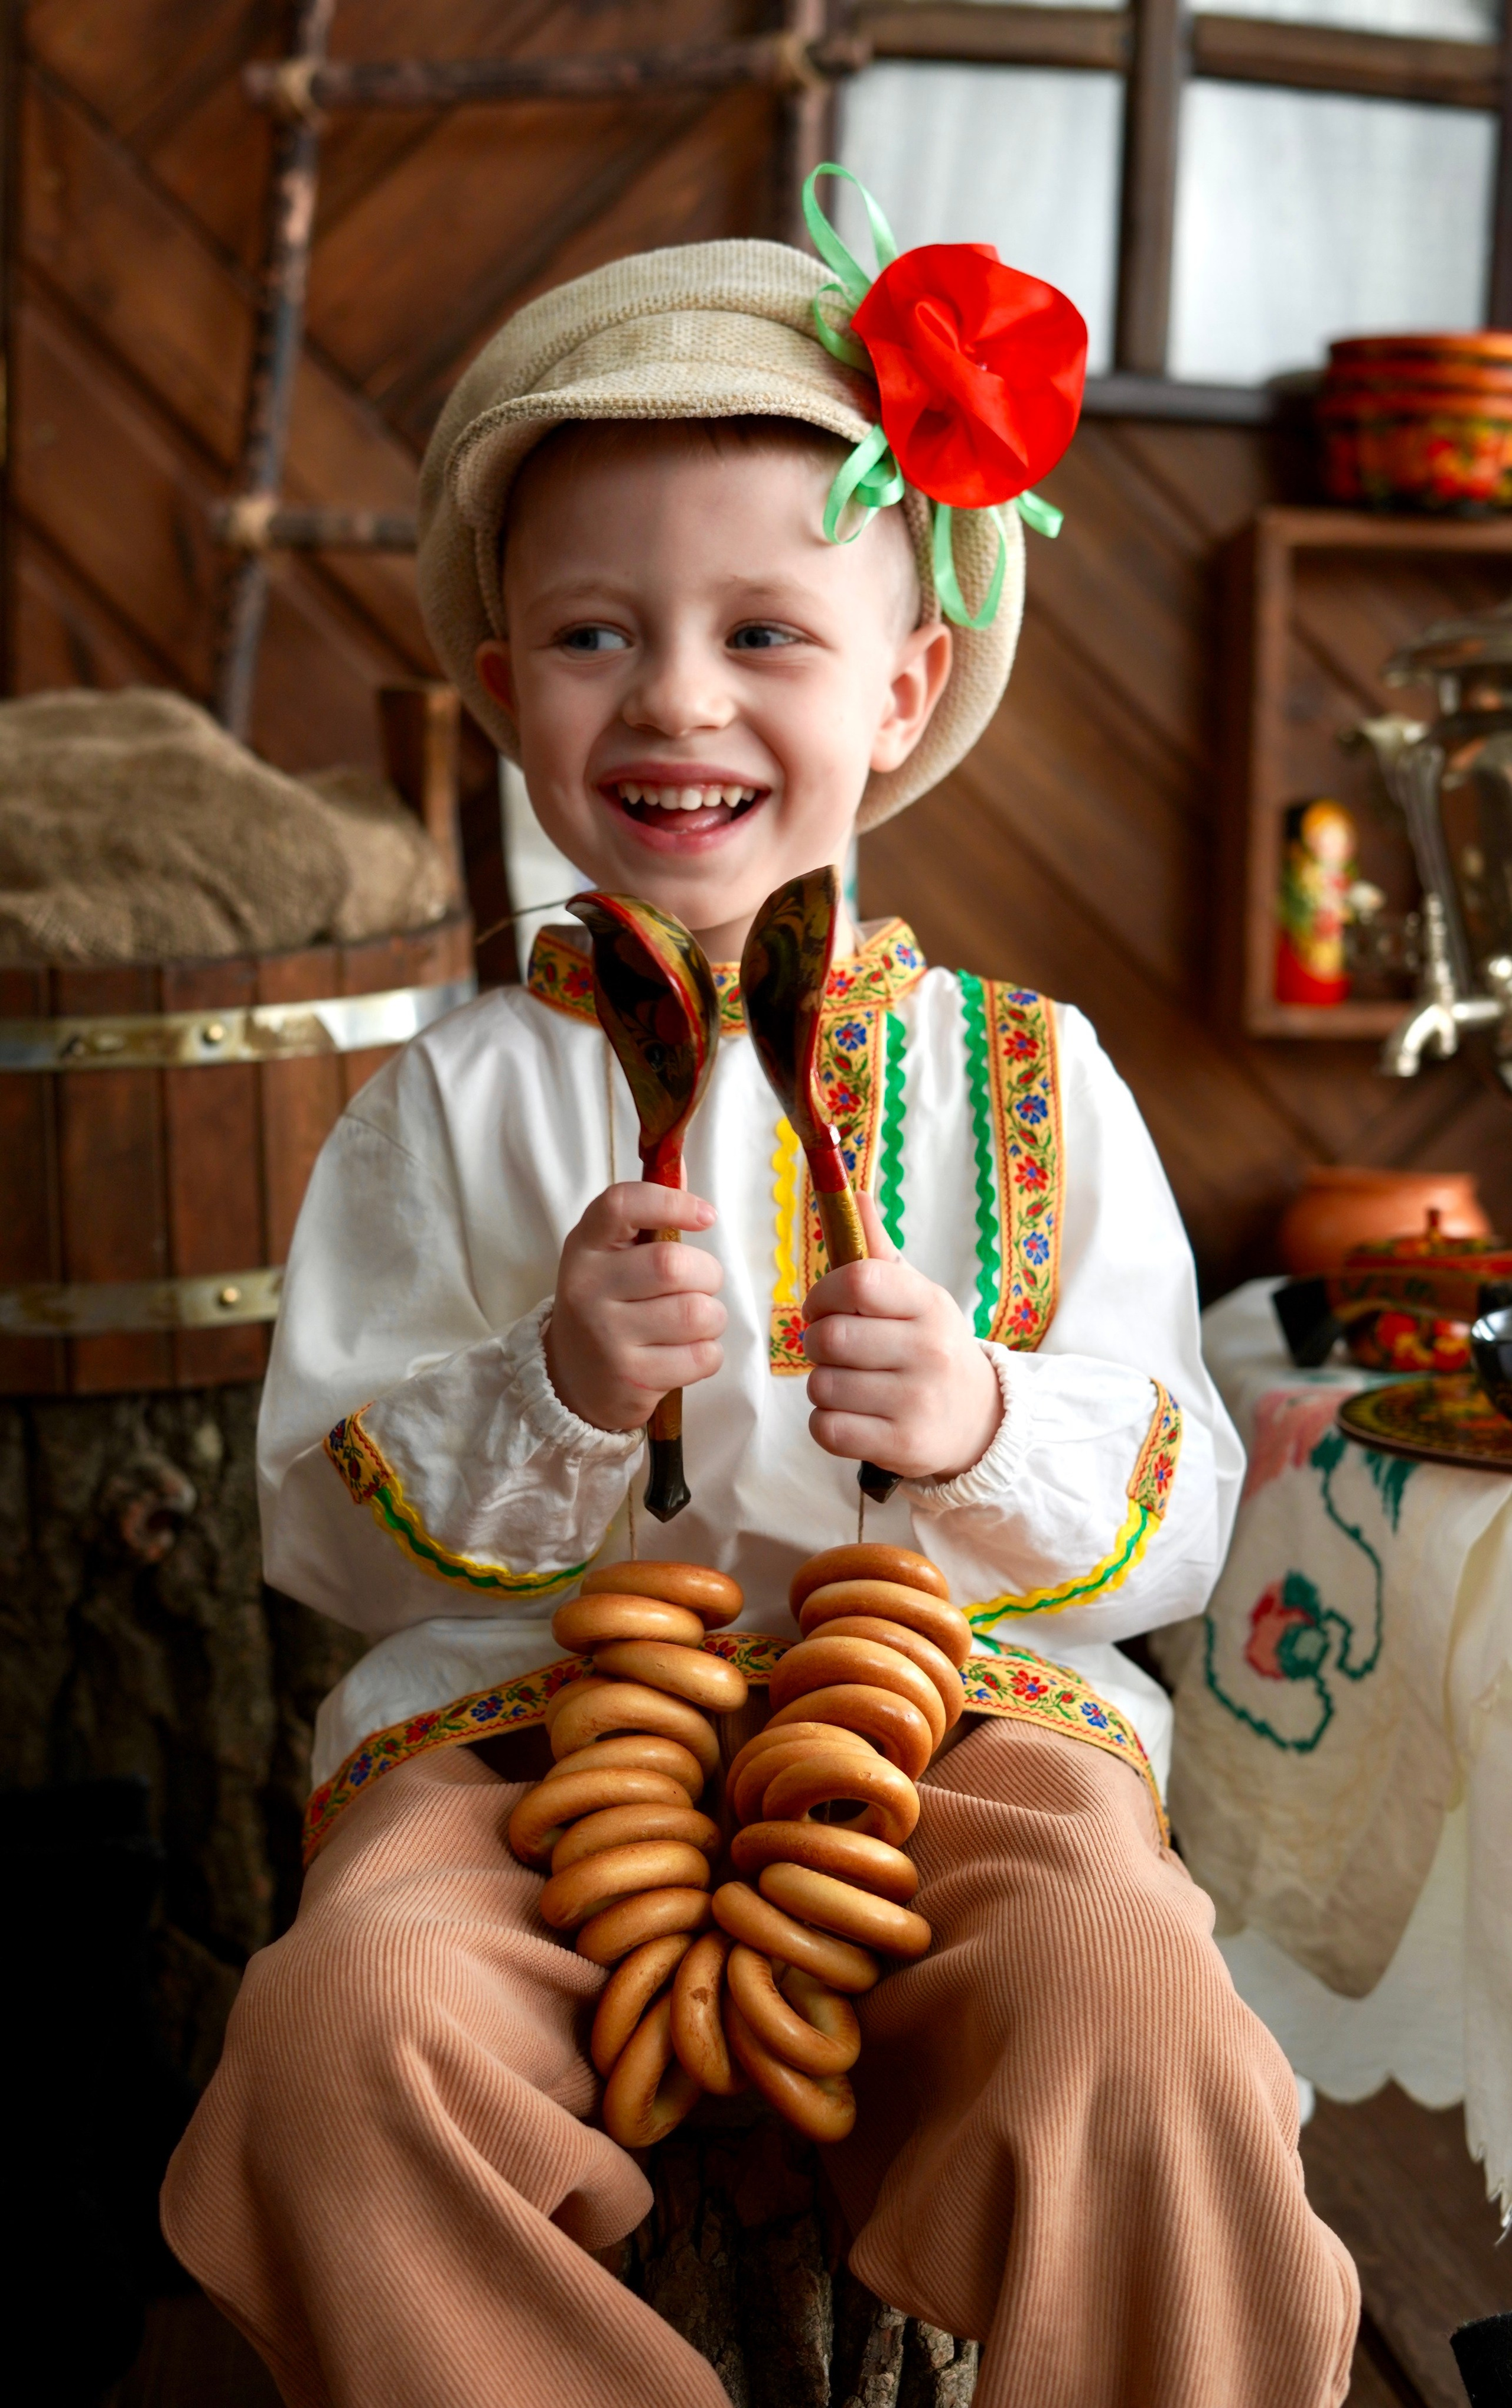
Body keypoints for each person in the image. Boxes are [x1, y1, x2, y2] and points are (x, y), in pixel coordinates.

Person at [162, 177, 1359, 2408]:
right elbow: (312, 1527)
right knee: (339, 2038)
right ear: (504, 688)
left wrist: (986, 1424)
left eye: (766, 635)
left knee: (1129, 2002)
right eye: (595, 637)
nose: (676, 698)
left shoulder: (1033, 1075)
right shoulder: (446, 1099)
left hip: (961, 1731)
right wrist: (548, 1391)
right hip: (521, 1754)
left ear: (905, 690)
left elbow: (1184, 1507)